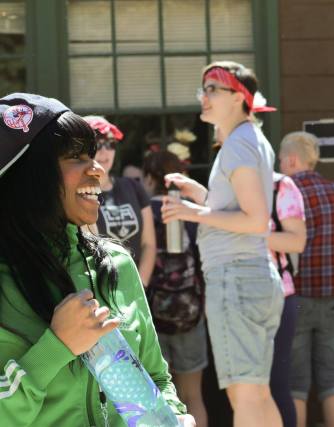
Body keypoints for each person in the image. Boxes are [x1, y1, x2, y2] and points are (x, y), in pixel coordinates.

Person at [0, 93, 195, 426]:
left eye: (94, 155)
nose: (98, 171)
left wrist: (174, 416)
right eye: (76, 157)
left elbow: (156, 377)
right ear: (27, 175)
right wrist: (56, 348)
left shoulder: (117, 262)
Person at [161, 61, 284, 427]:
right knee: (258, 394)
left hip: (236, 280)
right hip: (253, 276)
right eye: (204, 88)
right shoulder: (247, 141)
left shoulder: (238, 146)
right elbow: (237, 208)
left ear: (239, 98)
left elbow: (255, 220)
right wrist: (198, 195)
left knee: (244, 396)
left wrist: (190, 212)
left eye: (213, 88)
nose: (204, 96)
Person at [278, 131, 334, 427]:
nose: (279, 166)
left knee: (296, 385)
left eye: (281, 160)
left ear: (291, 159)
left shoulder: (285, 194)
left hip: (296, 301)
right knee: (331, 380)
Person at [142, 150, 208, 426]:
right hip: (190, 312)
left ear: (148, 179)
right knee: (193, 395)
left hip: (153, 316)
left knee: (158, 397)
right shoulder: (191, 213)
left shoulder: (144, 211)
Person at [84, 115, 156, 287]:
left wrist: (140, 285)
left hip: (135, 288)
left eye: (111, 144)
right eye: (98, 143)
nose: (105, 151)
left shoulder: (133, 187)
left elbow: (149, 244)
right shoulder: (79, 194)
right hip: (98, 287)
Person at [268, 171, 307, 427]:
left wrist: (242, 231)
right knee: (247, 389)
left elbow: (297, 241)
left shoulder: (279, 185)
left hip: (280, 295)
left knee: (277, 384)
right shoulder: (222, 185)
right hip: (234, 297)